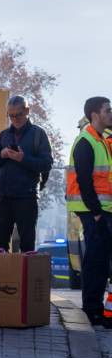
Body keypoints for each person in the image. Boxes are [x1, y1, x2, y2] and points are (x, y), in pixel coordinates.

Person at [66, 96, 112, 327]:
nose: (110, 113)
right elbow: (84, 180)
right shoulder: (86, 141)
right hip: (93, 211)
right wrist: (95, 212)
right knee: (96, 261)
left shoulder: (101, 139)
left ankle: (98, 311)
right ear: (95, 114)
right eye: (107, 110)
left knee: (102, 261)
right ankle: (91, 311)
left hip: (102, 209)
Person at [0, 95, 53, 252]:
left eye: (18, 114)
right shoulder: (4, 135)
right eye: (11, 116)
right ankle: (2, 275)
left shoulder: (38, 134)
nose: (15, 119)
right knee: (0, 245)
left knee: (27, 246)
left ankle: (25, 275)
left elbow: (47, 164)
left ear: (27, 111)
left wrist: (23, 159)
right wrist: (1, 155)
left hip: (27, 197)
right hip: (4, 197)